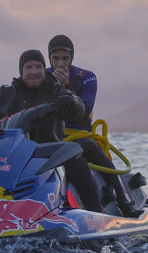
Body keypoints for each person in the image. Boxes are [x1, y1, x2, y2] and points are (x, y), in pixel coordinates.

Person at [0, 49, 105, 214]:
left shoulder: (56, 90)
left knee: (76, 160)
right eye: (29, 67)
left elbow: (78, 108)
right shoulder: (5, 94)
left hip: (51, 155)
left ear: (44, 69)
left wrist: (71, 101)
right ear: (21, 70)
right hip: (12, 159)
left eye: (38, 67)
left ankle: (97, 214)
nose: (34, 72)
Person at [47, 35, 135, 216]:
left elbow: (84, 111)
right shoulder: (42, 77)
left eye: (65, 58)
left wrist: (66, 86)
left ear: (72, 58)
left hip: (79, 134)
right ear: (49, 58)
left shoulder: (87, 77)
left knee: (90, 146)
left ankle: (123, 200)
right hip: (50, 136)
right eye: (56, 58)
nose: (60, 63)